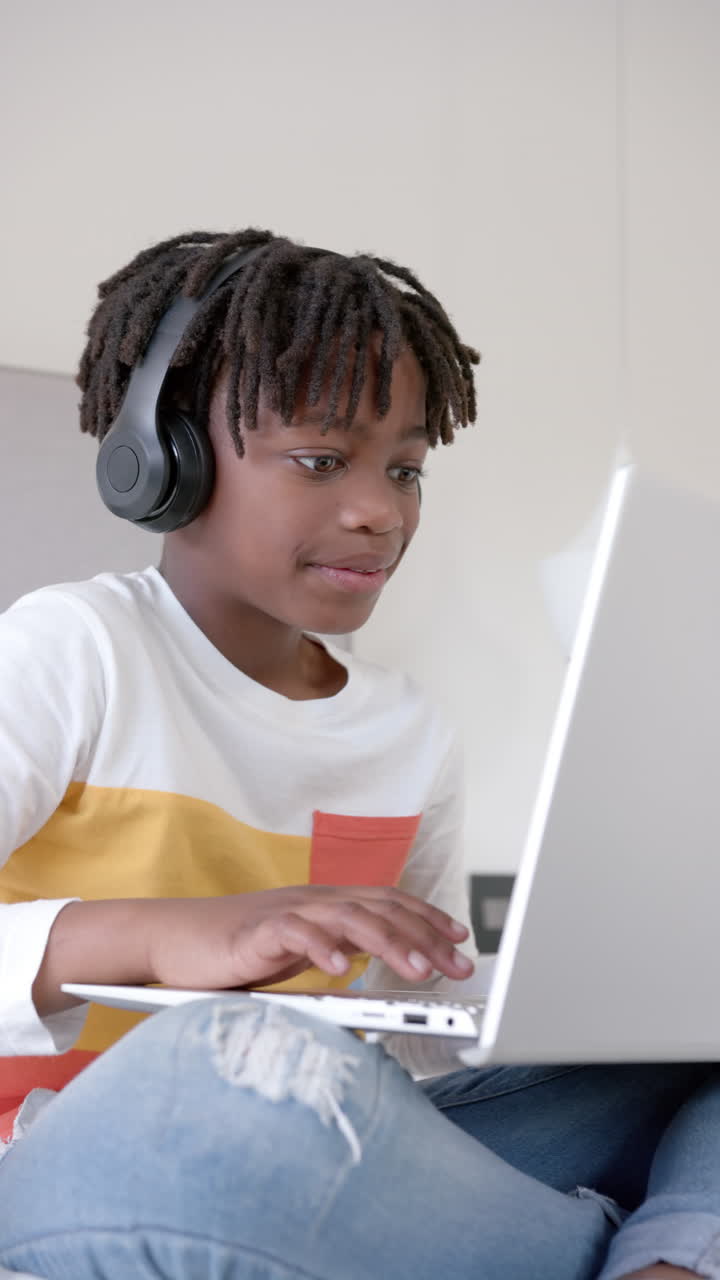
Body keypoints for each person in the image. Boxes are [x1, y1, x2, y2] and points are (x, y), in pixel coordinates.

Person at [0, 228, 716, 1280]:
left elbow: (416, 1030)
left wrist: (567, 991)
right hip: (81, 1143)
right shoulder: (71, 649)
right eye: (322, 461)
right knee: (218, 1065)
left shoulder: (409, 731)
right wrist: (159, 936)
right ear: (162, 456)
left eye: (407, 469)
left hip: (313, 1131)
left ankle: (666, 1261)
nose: (381, 510)